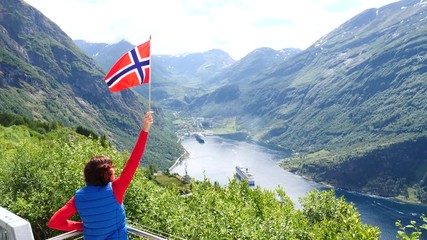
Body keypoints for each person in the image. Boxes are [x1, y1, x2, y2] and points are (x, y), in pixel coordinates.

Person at [48, 111, 154, 239]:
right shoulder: (116, 189)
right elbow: (134, 159)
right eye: (113, 172)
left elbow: (54, 223)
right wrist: (145, 129)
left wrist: (81, 226)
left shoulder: (79, 197)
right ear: (107, 175)